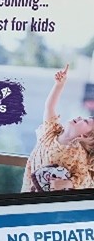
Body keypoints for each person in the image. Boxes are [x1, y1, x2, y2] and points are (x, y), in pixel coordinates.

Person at [22, 64, 94, 192]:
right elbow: (49, 107)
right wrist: (59, 85)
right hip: (27, 192)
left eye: (85, 121)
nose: (79, 117)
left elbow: (86, 181)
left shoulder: (78, 154)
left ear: (85, 136)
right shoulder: (51, 132)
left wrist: (67, 183)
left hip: (48, 204)